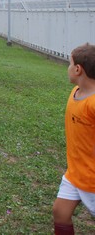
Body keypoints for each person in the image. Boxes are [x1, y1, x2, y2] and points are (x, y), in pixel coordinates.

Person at [52, 43, 95, 234]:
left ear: (78, 69)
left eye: (69, 64)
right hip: (75, 173)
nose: (67, 68)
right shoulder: (75, 91)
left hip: (92, 179)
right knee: (60, 212)